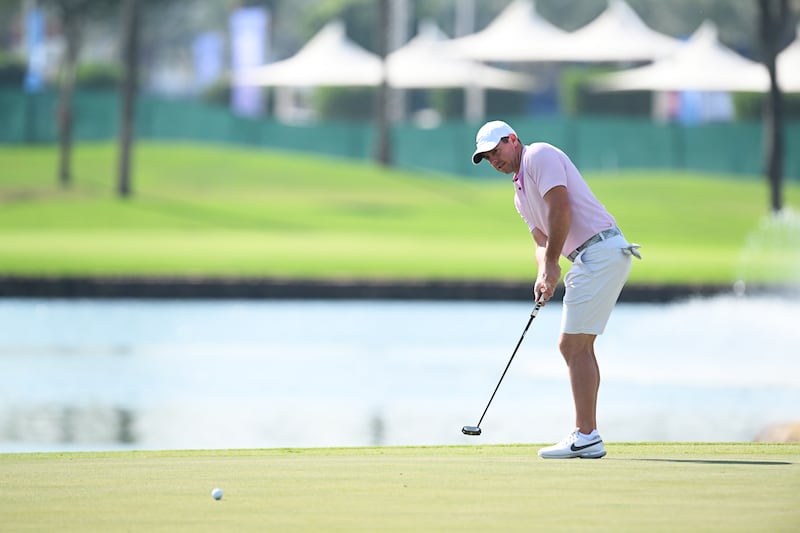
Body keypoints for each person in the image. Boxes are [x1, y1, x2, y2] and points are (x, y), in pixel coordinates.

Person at [471, 120, 640, 459]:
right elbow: (541, 240)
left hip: (600, 250)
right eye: (488, 158)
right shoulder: (519, 194)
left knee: (572, 345)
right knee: (578, 346)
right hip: (592, 256)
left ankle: (587, 435)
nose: (495, 161)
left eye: (496, 151)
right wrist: (543, 271)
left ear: (513, 140)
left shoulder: (538, 155)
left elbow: (561, 208)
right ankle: (587, 433)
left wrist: (553, 263)